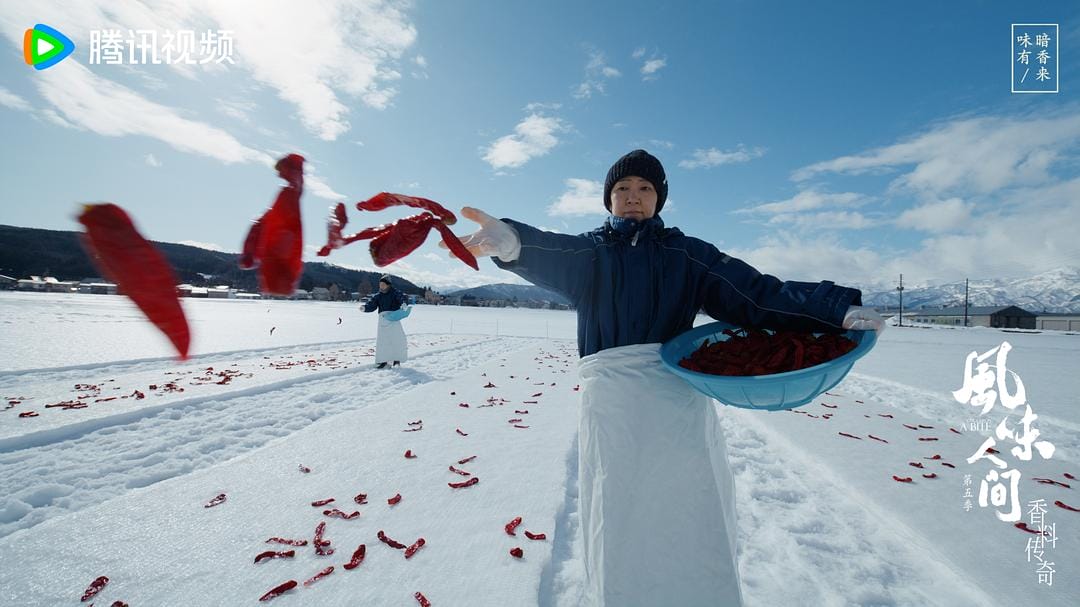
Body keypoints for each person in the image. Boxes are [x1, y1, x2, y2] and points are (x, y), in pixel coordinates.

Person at [442, 149, 884, 606]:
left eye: (645, 188)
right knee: (620, 508)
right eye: (622, 189)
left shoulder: (688, 255)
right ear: (608, 199)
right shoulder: (591, 253)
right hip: (611, 400)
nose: (633, 197)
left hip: (675, 396)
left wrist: (835, 310)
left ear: (660, 197)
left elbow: (756, 295)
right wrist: (513, 242)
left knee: (688, 506)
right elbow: (550, 251)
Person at [363, 275, 409, 369]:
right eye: (380, 284)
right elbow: (372, 304)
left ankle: (397, 360)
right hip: (383, 320)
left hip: (394, 319)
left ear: (388, 285)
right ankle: (383, 361)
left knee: (396, 340)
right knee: (383, 342)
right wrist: (365, 308)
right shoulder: (378, 296)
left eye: (383, 284)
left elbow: (401, 297)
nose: (381, 286)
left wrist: (404, 303)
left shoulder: (395, 293)